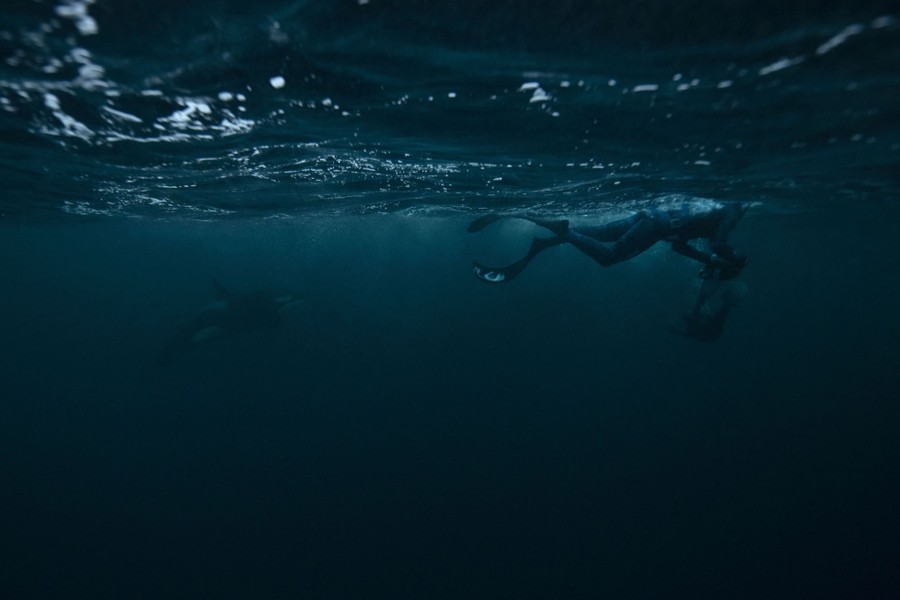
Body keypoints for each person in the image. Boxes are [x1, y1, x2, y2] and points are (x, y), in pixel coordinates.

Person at [468, 199, 748, 284]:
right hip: (657, 226)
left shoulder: (715, 212)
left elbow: (679, 246)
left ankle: (546, 241)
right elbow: (721, 245)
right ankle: (559, 231)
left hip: (652, 219)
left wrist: (709, 260)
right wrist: (734, 258)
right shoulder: (732, 210)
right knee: (607, 257)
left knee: (591, 236)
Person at [157, 280, 303, 364]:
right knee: (189, 341)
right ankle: (164, 358)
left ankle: (165, 356)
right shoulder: (271, 307)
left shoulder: (264, 303)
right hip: (222, 322)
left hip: (220, 317)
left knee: (189, 340)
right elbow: (273, 321)